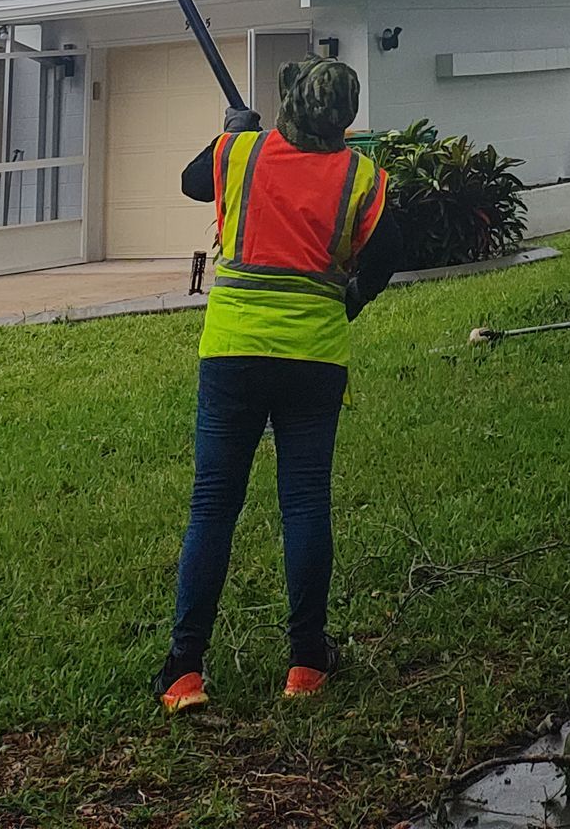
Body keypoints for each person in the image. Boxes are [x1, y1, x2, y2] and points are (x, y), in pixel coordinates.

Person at [156, 55, 404, 712]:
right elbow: (385, 260)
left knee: (213, 504)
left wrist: (229, 132)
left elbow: (189, 183)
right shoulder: (362, 177)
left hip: (232, 353)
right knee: (304, 503)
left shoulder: (241, 153)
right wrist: (346, 299)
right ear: (345, 117)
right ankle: (305, 664)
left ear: (290, 100)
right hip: (314, 358)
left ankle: (184, 671)